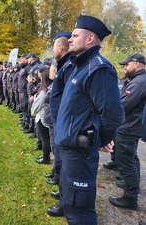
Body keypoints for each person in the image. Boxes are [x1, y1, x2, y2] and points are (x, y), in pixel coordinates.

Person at [55, 15, 125, 224]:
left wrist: (101, 140)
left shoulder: (99, 69)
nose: (70, 39)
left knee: (79, 210)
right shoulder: (80, 65)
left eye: (75, 35)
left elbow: (113, 114)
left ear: (90, 39)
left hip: (80, 153)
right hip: (70, 150)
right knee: (70, 203)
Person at [109, 53, 146, 210]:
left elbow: (122, 105)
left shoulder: (138, 83)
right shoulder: (138, 80)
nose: (124, 68)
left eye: (127, 65)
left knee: (126, 162)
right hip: (132, 126)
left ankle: (130, 198)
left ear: (136, 64)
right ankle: (132, 186)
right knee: (132, 158)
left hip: (128, 128)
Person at [47, 31, 73, 217]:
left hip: (64, 123)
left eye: (54, 46)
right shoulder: (63, 66)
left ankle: (65, 203)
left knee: (65, 164)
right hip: (59, 122)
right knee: (61, 161)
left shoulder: (70, 66)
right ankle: (63, 195)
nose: (53, 49)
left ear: (60, 47)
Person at [31, 66, 52, 165]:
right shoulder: (47, 89)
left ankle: (46, 157)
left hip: (42, 117)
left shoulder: (44, 91)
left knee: (45, 138)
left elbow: (37, 105)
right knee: (46, 138)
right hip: (44, 116)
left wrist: (33, 111)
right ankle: (45, 155)